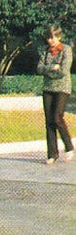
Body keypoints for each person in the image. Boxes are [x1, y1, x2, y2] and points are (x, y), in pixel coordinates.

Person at [36, 25, 74, 164]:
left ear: (59, 36)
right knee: (49, 121)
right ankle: (52, 154)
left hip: (62, 88)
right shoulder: (45, 51)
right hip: (48, 88)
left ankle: (69, 146)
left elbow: (64, 70)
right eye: (48, 38)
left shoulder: (66, 50)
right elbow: (39, 68)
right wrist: (51, 67)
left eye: (52, 37)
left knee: (57, 117)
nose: (50, 41)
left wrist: (50, 72)